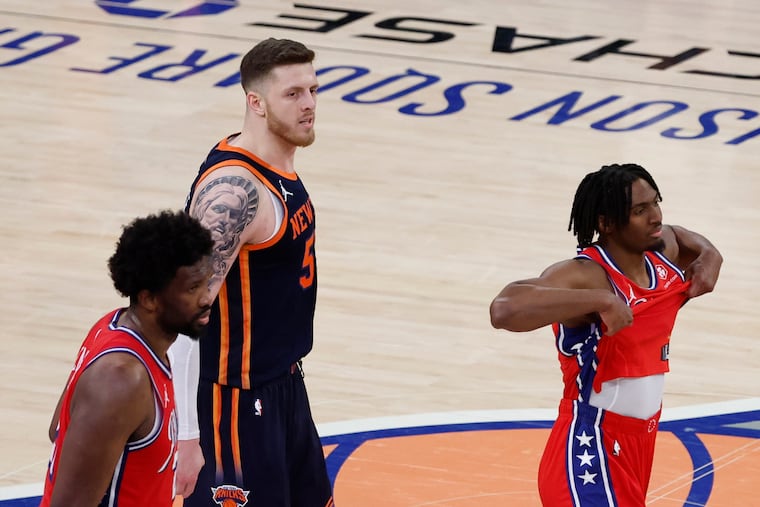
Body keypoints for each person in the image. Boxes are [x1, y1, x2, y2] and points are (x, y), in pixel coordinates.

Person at [489, 163, 722, 507]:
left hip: (638, 444)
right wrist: (601, 300)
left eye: (655, 203)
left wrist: (711, 255)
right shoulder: (586, 275)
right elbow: (504, 309)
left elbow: (679, 233)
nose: (655, 216)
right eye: (640, 211)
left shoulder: (659, 254)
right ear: (606, 223)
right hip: (591, 443)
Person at [169, 38, 333, 507]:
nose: (309, 106)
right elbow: (182, 316)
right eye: (293, 94)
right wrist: (186, 435)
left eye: (313, 91)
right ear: (255, 103)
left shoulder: (276, 165)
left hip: (284, 386)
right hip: (233, 406)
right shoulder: (234, 192)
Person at [39, 210, 214, 507]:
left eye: (207, 284)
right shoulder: (121, 380)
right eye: (192, 289)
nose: (207, 298)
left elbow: (59, 427)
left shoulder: (116, 328)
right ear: (149, 299)